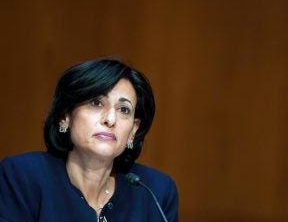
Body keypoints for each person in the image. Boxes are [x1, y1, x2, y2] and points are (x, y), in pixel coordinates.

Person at [0, 58, 178, 222]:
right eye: (96, 103)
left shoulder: (156, 191)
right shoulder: (23, 176)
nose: (110, 119)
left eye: (123, 110)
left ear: (133, 130)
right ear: (65, 116)